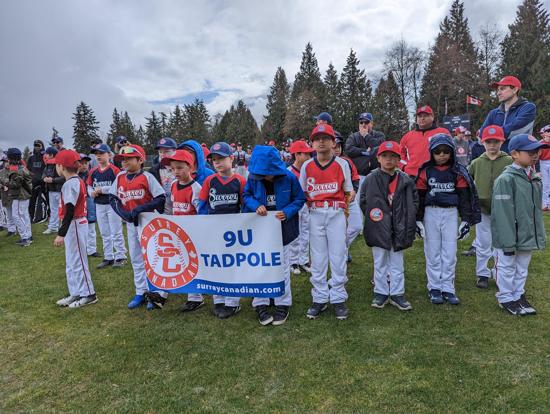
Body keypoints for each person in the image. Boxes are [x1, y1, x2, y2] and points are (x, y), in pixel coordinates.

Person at [415, 134, 481, 305]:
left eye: (446, 151)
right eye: (437, 151)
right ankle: (434, 287)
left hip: (451, 213)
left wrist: (465, 220)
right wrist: (418, 219)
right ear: (431, 153)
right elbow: (419, 197)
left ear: (452, 152)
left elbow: (464, 197)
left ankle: (448, 287)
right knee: (432, 252)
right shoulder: (426, 171)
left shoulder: (457, 171)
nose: (442, 155)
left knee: (449, 253)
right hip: (431, 212)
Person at [244, 145, 305, 326]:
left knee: (283, 267)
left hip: (282, 231)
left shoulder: (289, 177)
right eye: (261, 174)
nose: (265, 177)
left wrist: (287, 211)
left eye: (267, 173)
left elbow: (299, 199)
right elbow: (246, 195)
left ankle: (282, 303)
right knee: (259, 265)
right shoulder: (253, 178)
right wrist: (255, 205)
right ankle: (260, 302)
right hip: (259, 231)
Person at [300, 124, 353, 320]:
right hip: (315, 212)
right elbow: (302, 192)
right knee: (318, 257)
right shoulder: (307, 166)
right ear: (312, 143)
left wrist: (346, 206)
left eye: (325, 138)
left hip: (335, 212)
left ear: (333, 142)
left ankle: (338, 297)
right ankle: (320, 297)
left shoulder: (342, 164)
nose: (321, 141)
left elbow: (348, 190)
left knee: (338, 256)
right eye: (317, 138)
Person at [491, 134, 547, 315]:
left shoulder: (534, 178)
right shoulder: (506, 179)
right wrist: (507, 241)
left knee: (522, 267)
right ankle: (506, 297)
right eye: (530, 152)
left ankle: (518, 294)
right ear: (514, 154)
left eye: (537, 151)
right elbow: (502, 213)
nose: (535, 155)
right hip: (509, 235)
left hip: (526, 233)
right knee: (507, 266)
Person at [359, 141, 418, 311]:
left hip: (399, 226)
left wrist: (406, 219)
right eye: (384, 156)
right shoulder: (371, 179)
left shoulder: (405, 180)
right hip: (378, 226)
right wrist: (375, 218)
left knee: (397, 262)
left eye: (393, 156)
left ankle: (397, 293)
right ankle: (381, 292)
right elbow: (364, 201)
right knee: (380, 261)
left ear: (399, 159)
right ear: (378, 158)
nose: (389, 159)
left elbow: (413, 202)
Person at [191, 142, 247, 318]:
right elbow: (202, 205)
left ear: (231, 158)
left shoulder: (240, 180)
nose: (217, 162)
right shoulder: (210, 180)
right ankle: (219, 299)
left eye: (221, 158)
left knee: (232, 265)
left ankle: (233, 302)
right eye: (214, 159)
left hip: (233, 231)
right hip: (214, 230)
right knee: (216, 264)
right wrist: (204, 224)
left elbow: (245, 206)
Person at [109, 144, 166, 310]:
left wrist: (140, 208)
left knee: (154, 258)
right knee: (135, 257)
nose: (124, 161)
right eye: (122, 159)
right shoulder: (120, 177)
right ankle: (140, 291)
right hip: (131, 223)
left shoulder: (147, 177)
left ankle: (156, 292)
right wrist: (123, 213)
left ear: (140, 160)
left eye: (129, 158)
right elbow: (113, 198)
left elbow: (160, 198)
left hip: (149, 222)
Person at [145, 149, 203, 311]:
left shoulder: (196, 188)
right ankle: (161, 295)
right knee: (171, 262)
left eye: (180, 168)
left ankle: (195, 298)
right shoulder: (173, 185)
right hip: (176, 233)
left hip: (192, 234)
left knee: (191, 264)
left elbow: (201, 214)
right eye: (173, 168)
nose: (176, 172)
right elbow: (170, 207)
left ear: (190, 168)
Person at [467, 126, 512, 288]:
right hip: (482, 209)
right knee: (483, 242)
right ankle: (482, 274)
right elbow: (466, 180)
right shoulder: (477, 162)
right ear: (482, 142)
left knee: (501, 243)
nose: (492, 145)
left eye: (496, 141)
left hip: (504, 209)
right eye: (488, 142)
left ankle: (499, 272)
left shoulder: (509, 161)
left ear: (502, 141)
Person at [52, 150, 97, 308]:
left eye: (57, 165)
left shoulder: (70, 183)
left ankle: (89, 294)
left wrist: (61, 234)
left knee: (78, 261)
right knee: (71, 261)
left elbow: (70, 211)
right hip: (74, 224)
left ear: (62, 166)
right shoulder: (75, 181)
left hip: (76, 224)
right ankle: (76, 292)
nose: (56, 168)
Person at [88, 143, 127, 269]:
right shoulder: (93, 171)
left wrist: (103, 190)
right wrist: (91, 192)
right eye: (96, 154)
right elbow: (89, 186)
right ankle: (108, 256)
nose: (98, 156)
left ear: (109, 155)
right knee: (104, 232)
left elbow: (120, 187)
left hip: (112, 205)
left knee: (116, 231)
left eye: (101, 153)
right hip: (99, 204)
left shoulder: (115, 170)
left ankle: (120, 256)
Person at [481, 76, 536, 153]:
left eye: (502, 89)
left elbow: (515, 128)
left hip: (519, 157)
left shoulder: (528, 107)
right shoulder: (493, 113)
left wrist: (491, 134)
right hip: (497, 157)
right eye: (498, 90)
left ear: (515, 90)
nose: (498, 93)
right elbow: (481, 134)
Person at [287, 140, 315, 275]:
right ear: (297, 155)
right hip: (293, 205)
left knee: (306, 232)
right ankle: (293, 261)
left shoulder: (309, 170)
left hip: (306, 205)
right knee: (295, 234)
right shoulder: (288, 172)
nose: (309, 157)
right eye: (306, 154)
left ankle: (304, 260)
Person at [400, 105, 449, 177]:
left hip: (437, 174)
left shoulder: (443, 133)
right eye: (420, 116)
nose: (422, 118)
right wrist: (404, 166)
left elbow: (451, 152)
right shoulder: (407, 136)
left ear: (432, 117)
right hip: (413, 175)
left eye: (425, 116)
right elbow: (400, 153)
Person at [334, 132, 361, 263]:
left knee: (356, 226)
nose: (336, 149)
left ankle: (342, 249)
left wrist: (354, 190)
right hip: (335, 202)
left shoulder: (347, 161)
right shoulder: (323, 163)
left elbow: (355, 177)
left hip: (349, 199)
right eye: (334, 146)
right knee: (338, 230)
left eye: (338, 146)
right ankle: (341, 252)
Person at [0, 148, 33, 246]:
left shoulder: (18, 170)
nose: (8, 160)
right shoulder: (21, 167)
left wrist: (3, 180)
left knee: (17, 216)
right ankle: (28, 236)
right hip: (23, 195)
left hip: (20, 196)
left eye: (8, 157)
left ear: (11, 158)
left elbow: (15, 185)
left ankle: (25, 238)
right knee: (24, 216)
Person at [344, 112, 385, 180]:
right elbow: (348, 150)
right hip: (359, 175)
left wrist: (366, 136)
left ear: (371, 123)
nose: (363, 124)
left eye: (366, 122)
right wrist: (365, 151)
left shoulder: (379, 135)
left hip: (377, 175)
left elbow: (379, 148)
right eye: (361, 122)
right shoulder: (353, 136)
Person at [78, 154, 99, 258]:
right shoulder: (73, 176)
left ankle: (92, 249)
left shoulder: (91, 174)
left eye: (86, 163)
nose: (84, 165)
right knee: (80, 227)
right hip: (79, 204)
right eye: (81, 163)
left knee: (91, 226)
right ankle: (81, 249)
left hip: (89, 202)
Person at [42, 147, 65, 234]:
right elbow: (43, 174)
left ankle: (63, 227)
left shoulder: (60, 164)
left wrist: (53, 180)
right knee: (53, 209)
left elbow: (64, 177)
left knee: (62, 209)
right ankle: (53, 227)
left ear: (51, 155)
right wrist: (44, 178)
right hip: (51, 190)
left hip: (60, 190)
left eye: (47, 154)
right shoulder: (48, 164)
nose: (45, 155)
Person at [27, 139, 46, 222]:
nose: (37, 147)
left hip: (44, 183)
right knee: (32, 201)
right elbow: (28, 170)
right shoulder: (31, 158)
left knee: (46, 200)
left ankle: (47, 217)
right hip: (34, 183)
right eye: (35, 145)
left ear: (42, 146)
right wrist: (31, 176)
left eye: (39, 145)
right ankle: (31, 217)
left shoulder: (45, 157)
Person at [0, 154, 16, 236]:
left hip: (15, 195)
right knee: (8, 214)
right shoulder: (1, 172)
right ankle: (11, 230)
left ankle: (20, 229)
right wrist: (2, 186)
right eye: (4, 162)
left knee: (16, 214)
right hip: (5, 195)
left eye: (7, 161)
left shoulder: (15, 170)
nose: (6, 163)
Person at [539, 125, 550, 211]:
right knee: (545, 184)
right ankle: (544, 203)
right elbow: (537, 157)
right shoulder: (540, 143)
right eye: (548, 131)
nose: (549, 133)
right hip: (543, 163)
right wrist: (537, 169)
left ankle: (548, 203)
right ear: (544, 133)